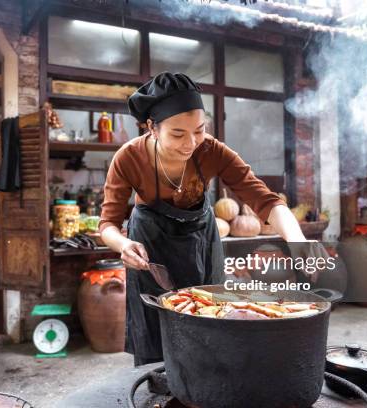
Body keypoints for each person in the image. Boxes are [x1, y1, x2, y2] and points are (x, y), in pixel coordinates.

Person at [100, 72, 324, 366]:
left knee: (215, 316)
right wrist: (123, 245)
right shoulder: (129, 157)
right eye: (178, 134)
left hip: (201, 239)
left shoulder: (212, 151)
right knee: (157, 329)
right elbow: (108, 224)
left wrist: (298, 242)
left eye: (199, 129)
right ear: (152, 128)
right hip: (150, 245)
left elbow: (267, 202)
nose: (190, 142)